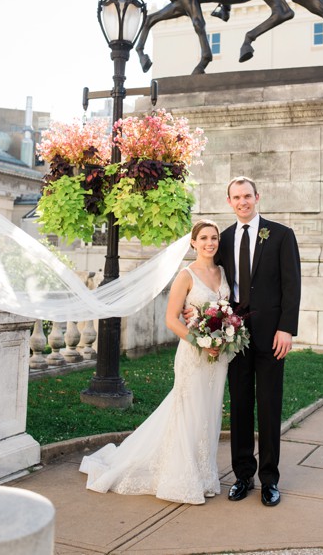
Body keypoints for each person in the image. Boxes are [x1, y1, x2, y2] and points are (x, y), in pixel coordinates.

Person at [80, 220, 231, 505]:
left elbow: (224, 312)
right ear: (193, 243)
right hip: (194, 354)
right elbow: (171, 319)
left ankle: (204, 474)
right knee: (188, 412)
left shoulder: (222, 272)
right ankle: (181, 478)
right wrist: (201, 341)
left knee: (209, 413)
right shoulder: (186, 276)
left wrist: (223, 337)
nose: (209, 243)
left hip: (219, 358)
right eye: (204, 238)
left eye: (214, 238)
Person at [216, 176, 301, 507]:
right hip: (235, 337)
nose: (242, 202)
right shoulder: (222, 239)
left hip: (272, 336)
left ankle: (269, 479)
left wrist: (286, 328)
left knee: (268, 405)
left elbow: (291, 285)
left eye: (247, 196)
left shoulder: (280, 235)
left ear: (257, 197)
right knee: (239, 407)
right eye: (236, 197)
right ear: (229, 202)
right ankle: (241, 476)